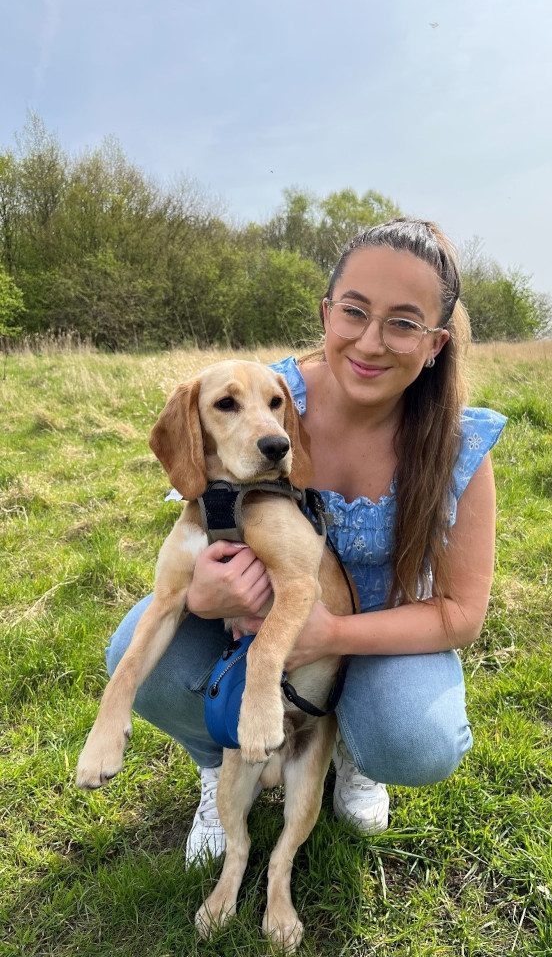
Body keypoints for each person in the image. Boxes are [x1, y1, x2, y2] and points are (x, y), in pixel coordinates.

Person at [106, 217, 506, 865]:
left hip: (378, 637)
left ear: (435, 343)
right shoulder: (266, 395)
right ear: (326, 311)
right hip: (252, 620)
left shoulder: (459, 445)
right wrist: (207, 587)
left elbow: (462, 616)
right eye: (354, 311)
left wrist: (331, 637)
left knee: (419, 739)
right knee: (134, 648)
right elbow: (194, 500)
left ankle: (355, 752)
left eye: (403, 322)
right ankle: (217, 765)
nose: (371, 342)